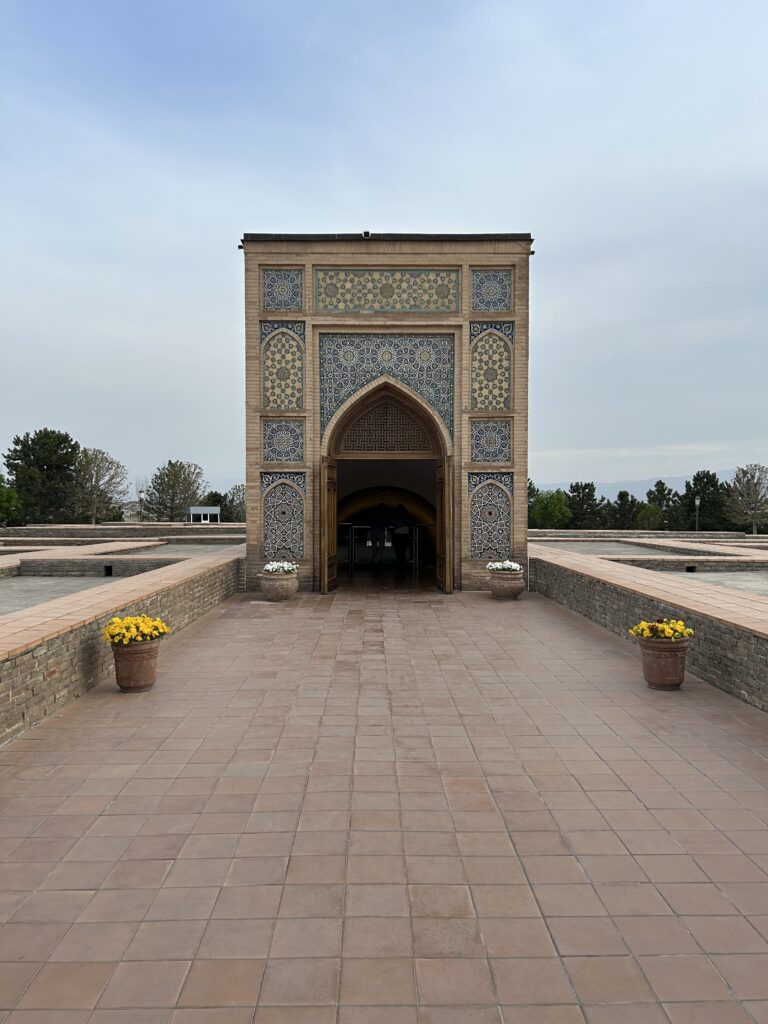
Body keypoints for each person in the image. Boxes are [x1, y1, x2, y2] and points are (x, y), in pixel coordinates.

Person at [369, 503, 389, 570]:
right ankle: (376, 561)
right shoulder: (384, 513)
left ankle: (374, 560)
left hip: (372, 529)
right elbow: (387, 522)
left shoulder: (374, 512)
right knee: (382, 546)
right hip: (380, 529)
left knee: (374, 546)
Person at [392, 503, 412, 572]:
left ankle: (399, 563)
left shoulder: (395, 514)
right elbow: (410, 523)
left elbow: (393, 522)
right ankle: (402, 564)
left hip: (397, 533)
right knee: (403, 550)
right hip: (405, 534)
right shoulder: (406, 514)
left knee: (398, 549)